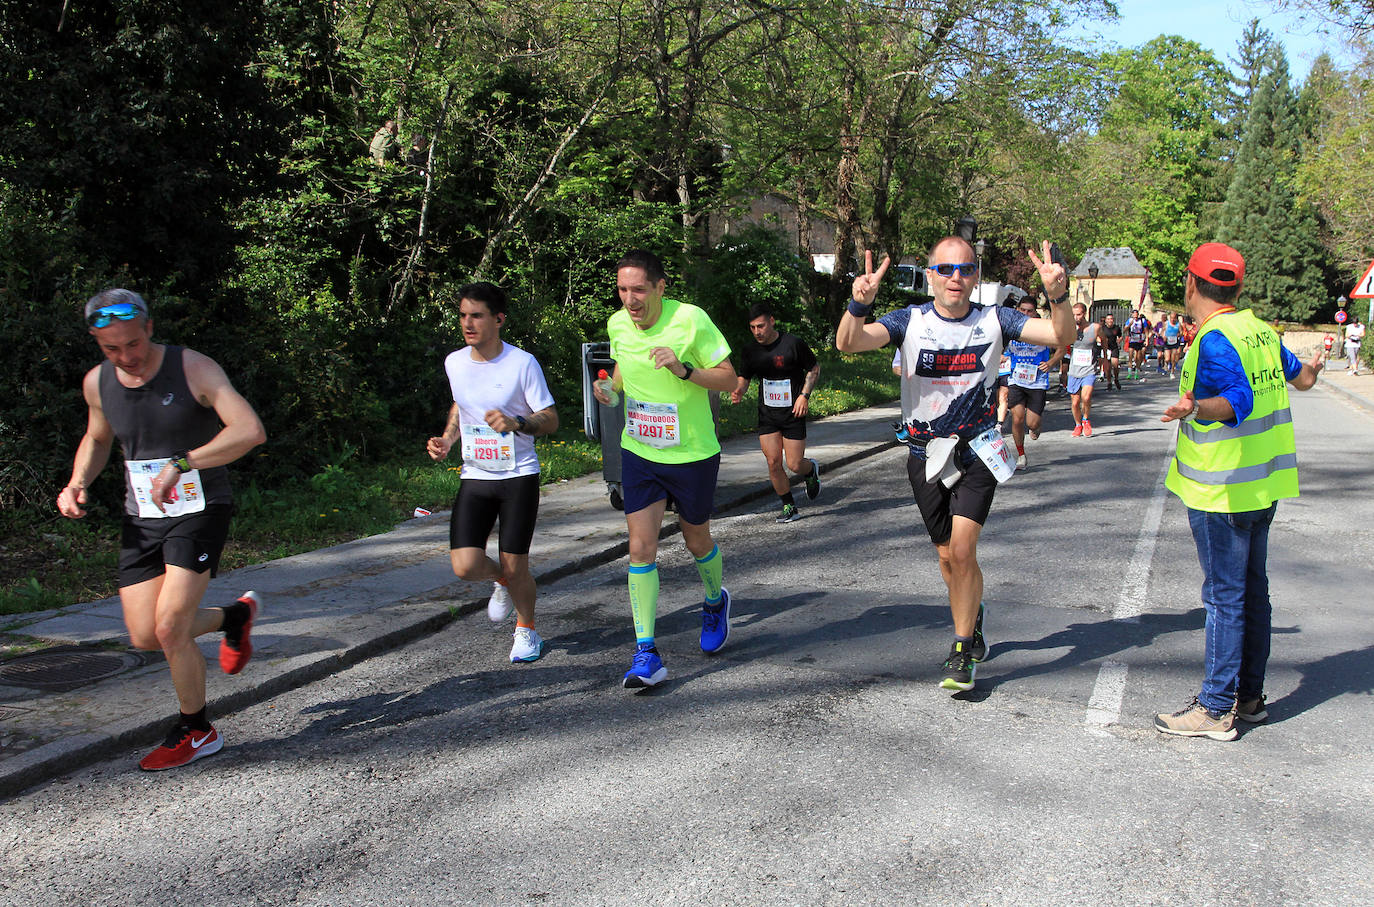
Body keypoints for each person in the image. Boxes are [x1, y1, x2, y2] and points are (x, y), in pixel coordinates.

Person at [836, 239, 1072, 693]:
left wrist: (1057, 296)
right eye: (945, 269)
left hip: (978, 450)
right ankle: (973, 610)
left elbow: (1060, 336)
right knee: (947, 556)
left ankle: (962, 649)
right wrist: (857, 303)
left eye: (964, 270)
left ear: (975, 275)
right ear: (930, 275)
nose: (955, 278)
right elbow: (849, 343)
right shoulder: (911, 320)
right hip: (925, 454)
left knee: (963, 551)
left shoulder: (994, 318)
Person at [56, 290, 267, 771]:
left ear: (149, 328)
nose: (126, 356)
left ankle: (197, 730)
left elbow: (249, 430)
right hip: (141, 515)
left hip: (199, 507)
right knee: (147, 635)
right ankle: (233, 618)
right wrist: (77, 483)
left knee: (170, 625)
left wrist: (183, 462)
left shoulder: (193, 368)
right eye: (112, 348)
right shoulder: (98, 383)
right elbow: (97, 436)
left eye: (133, 343)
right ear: (96, 341)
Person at [1155, 243, 1324, 740]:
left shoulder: (1215, 338)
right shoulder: (1260, 332)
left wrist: (1195, 409)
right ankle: (1249, 697)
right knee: (1254, 592)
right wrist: (1316, 364)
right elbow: (1304, 378)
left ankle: (1214, 708)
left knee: (1225, 598)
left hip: (1222, 490)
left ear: (1190, 283)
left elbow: (1237, 400)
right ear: (1238, 287)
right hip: (1262, 486)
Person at [591, 249, 738, 689]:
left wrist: (684, 369)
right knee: (640, 549)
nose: (630, 300)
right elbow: (623, 367)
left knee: (696, 540)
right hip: (639, 451)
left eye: (638, 290)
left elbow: (729, 378)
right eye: (622, 290)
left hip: (692, 453)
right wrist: (609, 390)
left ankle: (714, 600)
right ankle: (646, 653)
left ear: (660, 287)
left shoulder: (690, 320)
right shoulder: (618, 324)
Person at [426, 282, 558, 664]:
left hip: (518, 475)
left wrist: (516, 422)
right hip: (476, 474)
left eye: (477, 316)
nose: (468, 323)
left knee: (518, 564)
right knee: (465, 566)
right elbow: (460, 406)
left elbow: (549, 419)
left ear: (498, 320)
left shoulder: (522, 363)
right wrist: (448, 440)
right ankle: (501, 580)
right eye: (464, 315)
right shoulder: (454, 362)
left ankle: (527, 630)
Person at [730, 302, 821, 523]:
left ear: (772, 321)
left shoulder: (793, 344)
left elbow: (814, 368)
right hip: (768, 414)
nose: (757, 332)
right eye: (752, 327)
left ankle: (810, 471)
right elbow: (745, 376)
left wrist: (804, 396)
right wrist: (739, 391)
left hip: (793, 413)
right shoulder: (750, 350)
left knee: (794, 464)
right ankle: (789, 505)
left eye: (760, 326)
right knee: (772, 462)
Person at [1005, 297, 1063, 469]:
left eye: (1029, 310)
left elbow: (1062, 347)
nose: (1026, 313)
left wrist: (1051, 363)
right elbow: (1001, 348)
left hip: (1037, 381)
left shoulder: (1043, 328)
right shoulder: (1010, 328)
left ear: (1035, 311)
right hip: (1016, 379)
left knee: (1032, 423)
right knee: (1017, 418)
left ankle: (1036, 426)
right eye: (1023, 310)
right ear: (1017, 309)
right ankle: (1021, 455)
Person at [1067, 303, 1099, 437]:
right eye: (1073, 314)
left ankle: (1085, 419)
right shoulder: (1070, 328)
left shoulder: (1095, 327)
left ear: (1085, 313)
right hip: (1074, 370)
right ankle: (1078, 424)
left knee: (1086, 397)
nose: (1076, 317)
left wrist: (1102, 357)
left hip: (1089, 369)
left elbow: (1103, 340)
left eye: (1078, 314)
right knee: (1075, 403)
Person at [1097, 312, 1123, 390]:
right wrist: (1100, 341)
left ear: (1113, 320)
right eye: (1108, 319)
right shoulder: (1102, 328)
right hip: (1106, 349)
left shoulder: (1116, 328)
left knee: (1115, 365)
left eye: (1111, 319)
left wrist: (1119, 340)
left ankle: (1116, 379)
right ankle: (1109, 382)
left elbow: (1120, 336)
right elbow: (1098, 337)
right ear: (1106, 320)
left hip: (1114, 348)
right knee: (1107, 368)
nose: (1110, 320)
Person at [1125, 309, 1151, 380]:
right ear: (1132, 315)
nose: (1135, 317)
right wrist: (1129, 325)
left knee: (1138, 357)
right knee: (1130, 356)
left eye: (1136, 315)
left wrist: (1146, 339)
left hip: (1139, 340)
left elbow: (1146, 331)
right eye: (1134, 315)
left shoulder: (1142, 321)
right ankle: (1129, 373)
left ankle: (1136, 372)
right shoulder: (1129, 320)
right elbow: (1124, 330)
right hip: (1132, 340)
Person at [1163, 311, 1184, 377]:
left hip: (1175, 342)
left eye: (1174, 318)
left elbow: (1181, 332)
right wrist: (1164, 336)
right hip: (1167, 342)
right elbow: (1162, 331)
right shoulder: (1166, 323)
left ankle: (1172, 372)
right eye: (1171, 318)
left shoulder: (1178, 324)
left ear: (1176, 318)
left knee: (1173, 358)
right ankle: (1166, 364)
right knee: (1167, 359)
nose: (1172, 319)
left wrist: (1179, 335)